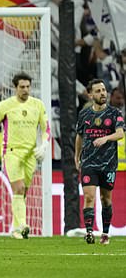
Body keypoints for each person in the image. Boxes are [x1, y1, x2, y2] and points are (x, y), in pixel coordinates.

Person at [0, 72, 50, 239]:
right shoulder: (5, 106)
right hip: (12, 152)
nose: (25, 90)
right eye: (22, 87)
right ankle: (22, 224)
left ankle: (16, 229)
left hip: (31, 154)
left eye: (28, 87)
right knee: (19, 188)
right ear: (15, 88)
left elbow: (46, 129)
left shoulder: (38, 105)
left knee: (23, 192)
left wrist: (44, 145)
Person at [75, 79, 124, 245]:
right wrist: (77, 156)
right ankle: (89, 233)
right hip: (89, 162)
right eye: (98, 91)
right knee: (89, 197)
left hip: (108, 163)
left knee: (106, 199)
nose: (103, 93)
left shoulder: (114, 113)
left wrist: (105, 138)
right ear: (90, 95)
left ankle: (105, 233)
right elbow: (79, 136)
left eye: (103, 90)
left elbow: (120, 134)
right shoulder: (84, 115)